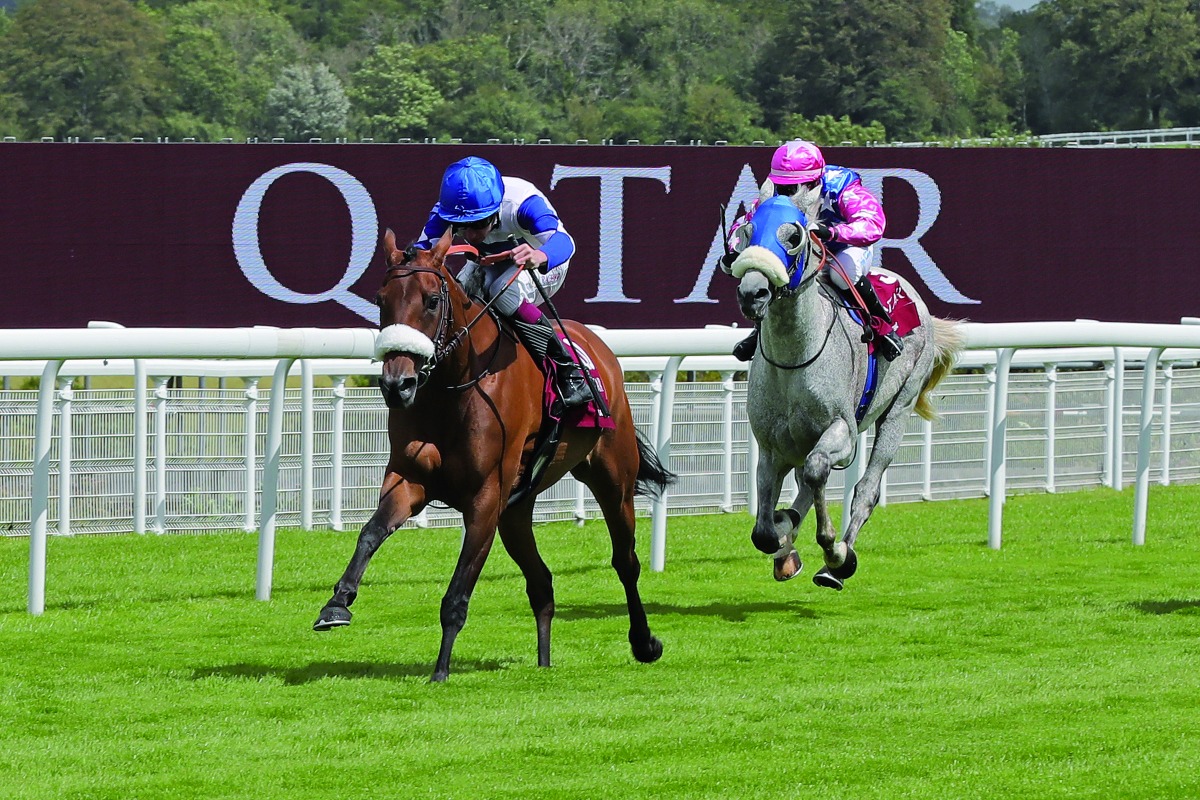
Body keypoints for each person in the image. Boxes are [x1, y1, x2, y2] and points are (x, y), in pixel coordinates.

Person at [414, 155, 593, 409]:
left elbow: (566, 242)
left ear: (497, 208)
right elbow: (420, 254)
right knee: (457, 297)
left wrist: (538, 255)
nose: (471, 234)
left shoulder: (522, 203)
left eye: (478, 224)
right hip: (489, 262)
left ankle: (569, 373)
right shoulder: (448, 210)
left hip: (541, 262)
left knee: (502, 292)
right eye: (461, 226)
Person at [725, 140, 903, 362]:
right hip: (806, 252)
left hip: (845, 246)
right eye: (782, 186)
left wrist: (831, 232)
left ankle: (882, 326)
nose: (787, 194)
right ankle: (759, 331)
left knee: (842, 274)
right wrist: (734, 248)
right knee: (777, 273)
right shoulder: (772, 195)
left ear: (815, 181)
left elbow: (873, 223)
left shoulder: (843, 188)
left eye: (795, 187)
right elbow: (743, 224)